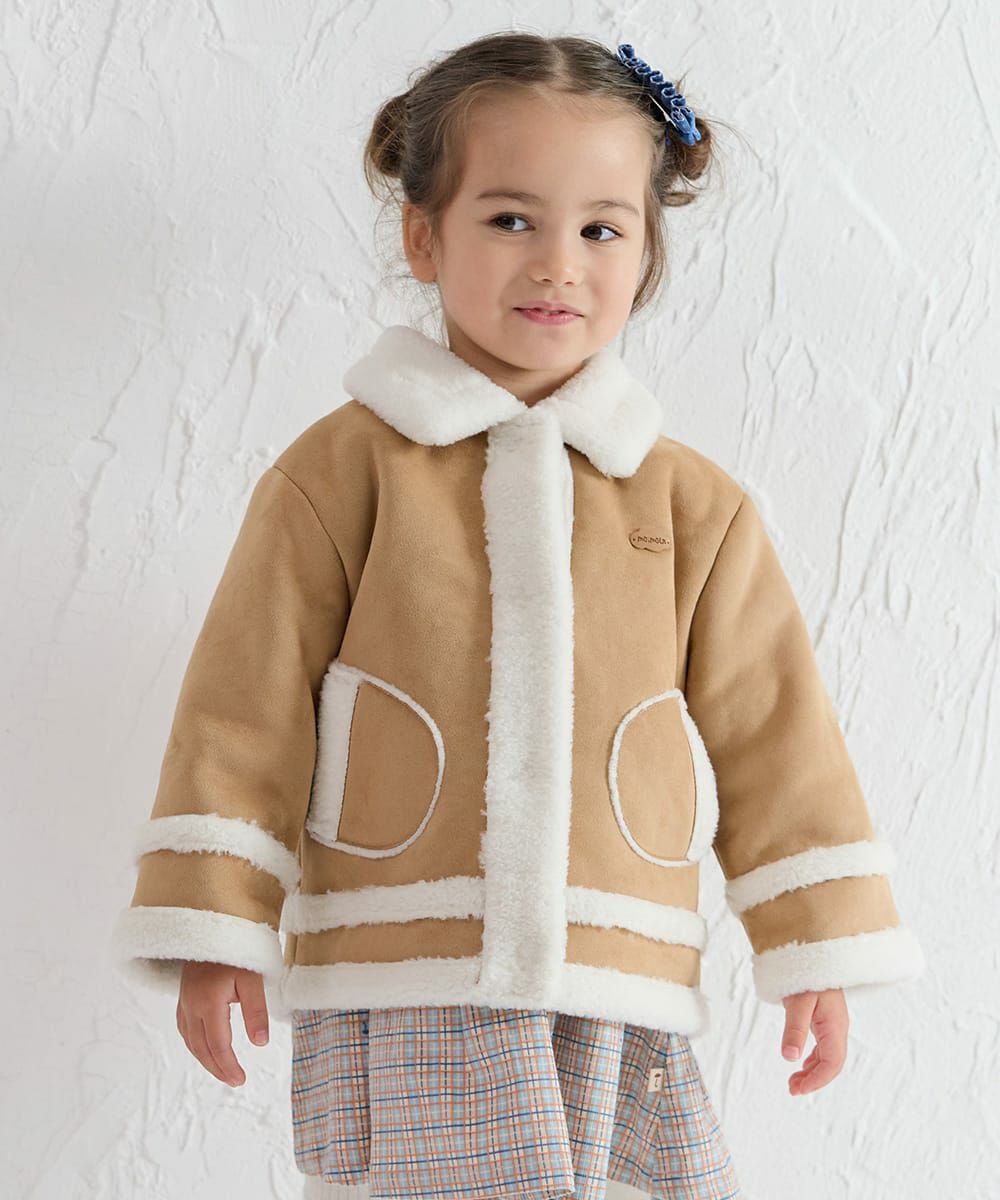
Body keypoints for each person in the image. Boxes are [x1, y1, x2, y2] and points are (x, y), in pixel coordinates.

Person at [111, 31, 926, 1199]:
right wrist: (213, 927)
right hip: (405, 966)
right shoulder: (341, 473)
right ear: (422, 235)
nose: (557, 264)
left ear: (645, 253)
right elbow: (243, 712)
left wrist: (814, 947)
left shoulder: (691, 504)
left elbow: (775, 732)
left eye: (601, 229)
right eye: (509, 219)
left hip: (615, 970)